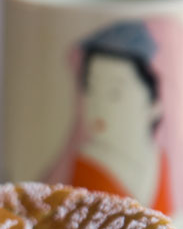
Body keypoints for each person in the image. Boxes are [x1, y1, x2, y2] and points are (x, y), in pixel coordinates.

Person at [70, 21, 172, 214]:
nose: (98, 106)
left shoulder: (159, 160)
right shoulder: (88, 166)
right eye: (91, 89)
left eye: (114, 93)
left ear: (153, 103)